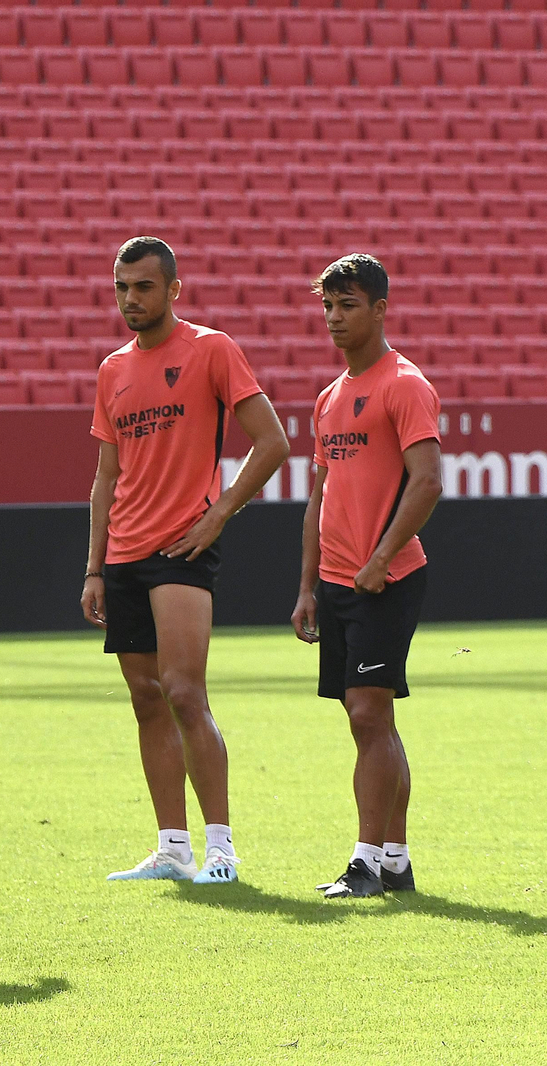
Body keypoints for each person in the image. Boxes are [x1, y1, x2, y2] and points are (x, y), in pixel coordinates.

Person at [82, 236, 289, 885]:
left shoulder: (211, 350)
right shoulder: (112, 369)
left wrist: (219, 513)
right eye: (121, 287)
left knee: (183, 691)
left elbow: (273, 442)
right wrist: (93, 567)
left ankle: (222, 849)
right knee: (146, 700)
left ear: (174, 290)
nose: (130, 299)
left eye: (143, 287)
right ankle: (173, 848)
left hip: (181, 548)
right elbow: (105, 476)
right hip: (124, 554)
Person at [291, 255, 441, 900]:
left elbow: (429, 481)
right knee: (370, 721)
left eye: (347, 305)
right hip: (337, 581)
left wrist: (380, 559)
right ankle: (397, 860)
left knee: (367, 713)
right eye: (328, 305)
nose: (334, 317)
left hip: (387, 578)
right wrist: (306, 586)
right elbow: (321, 496)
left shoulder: (405, 385)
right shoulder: (328, 397)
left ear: (380, 308)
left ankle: (366, 862)